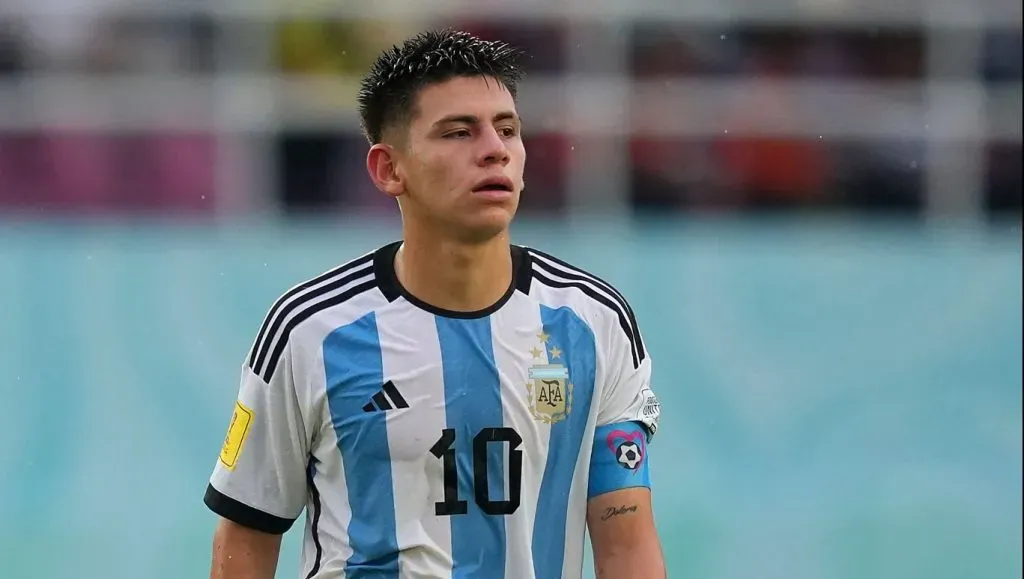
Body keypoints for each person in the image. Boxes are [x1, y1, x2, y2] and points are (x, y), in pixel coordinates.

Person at [204, 28, 666, 579]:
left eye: (507, 129)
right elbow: (247, 537)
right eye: (458, 132)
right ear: (389, 169)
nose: (494, 149)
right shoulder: (310, 331)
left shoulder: (594, 323)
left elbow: (626, 545)